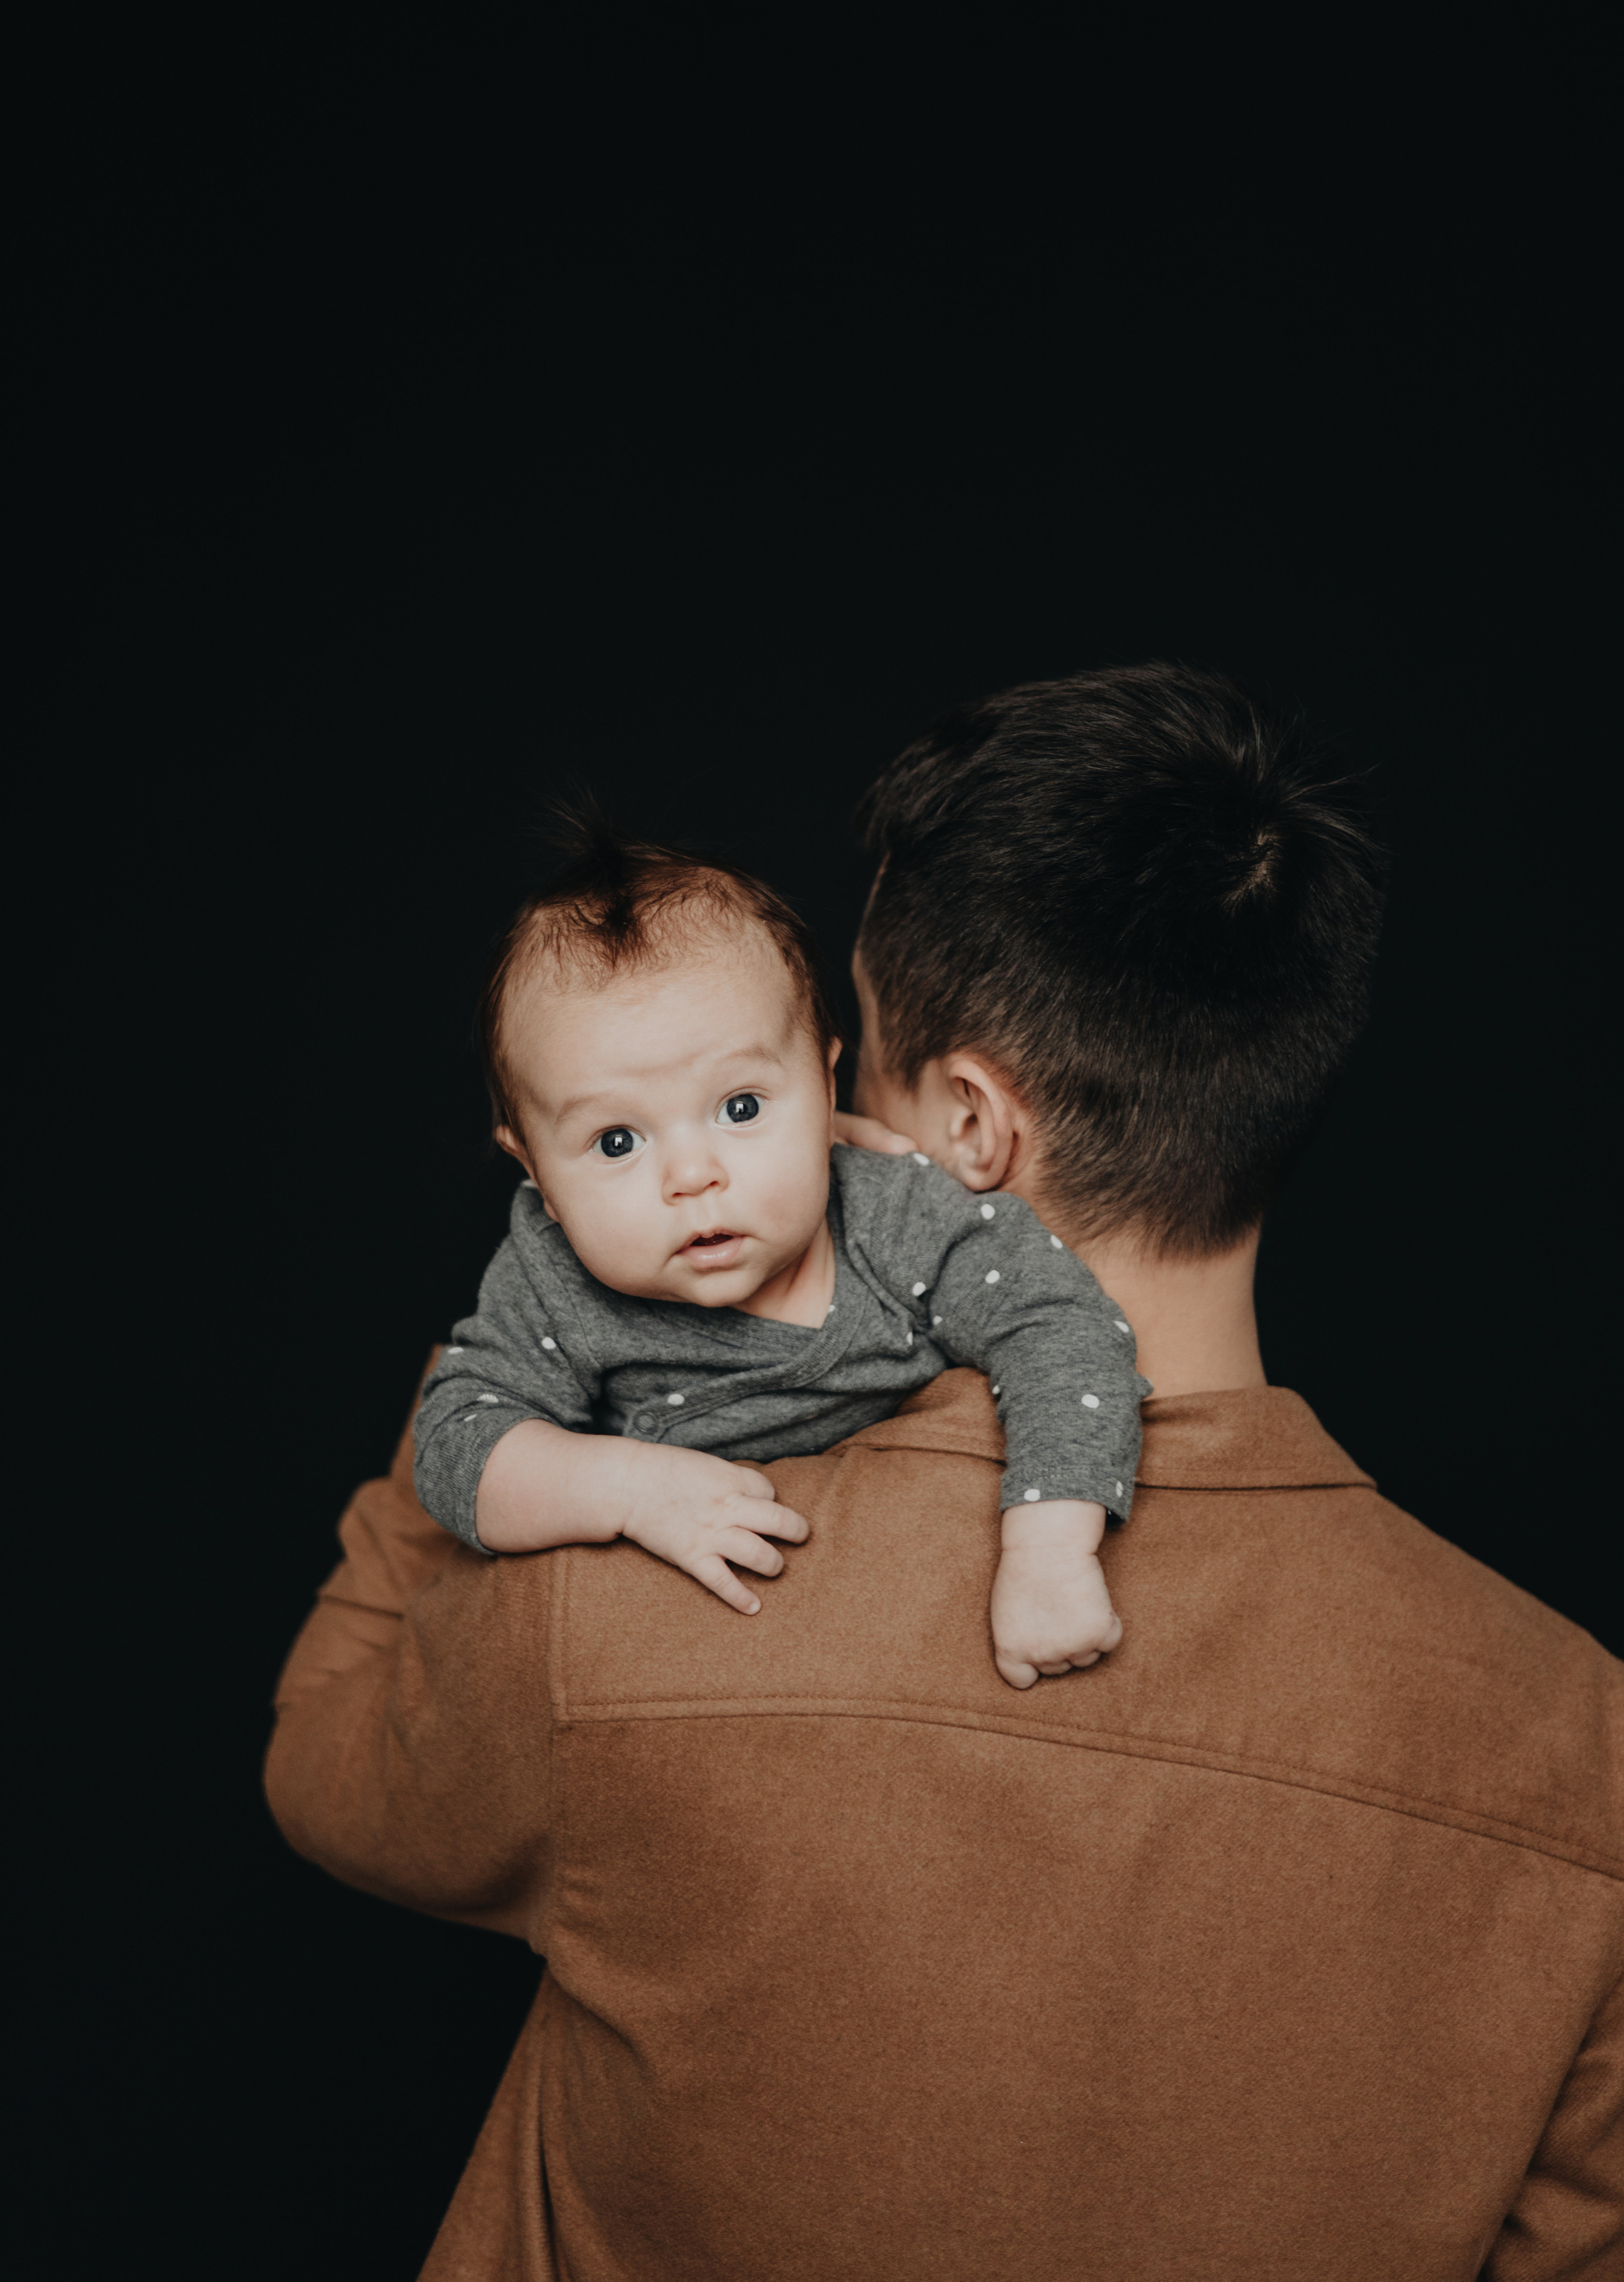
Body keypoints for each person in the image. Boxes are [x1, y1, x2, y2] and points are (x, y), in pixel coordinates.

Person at [268, 666, 1623, 2280]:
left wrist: (540, 1332)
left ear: (969, 1127)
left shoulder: (624, 1612)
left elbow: (325, 1757)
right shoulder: (1585, 1758)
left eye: (817, 1090)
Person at [412, 820, 1148, 1688]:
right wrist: (626, 1488)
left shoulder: (890, 1216)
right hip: (676, 1673)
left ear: (824, 1086)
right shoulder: (551, 1278)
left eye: (742, 1107)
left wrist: (1049, 1547)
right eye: (616, 1141)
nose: (694, 1175)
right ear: (532, 1169)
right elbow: (454, 1443)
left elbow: (1059, 1325)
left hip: (900, 1645)